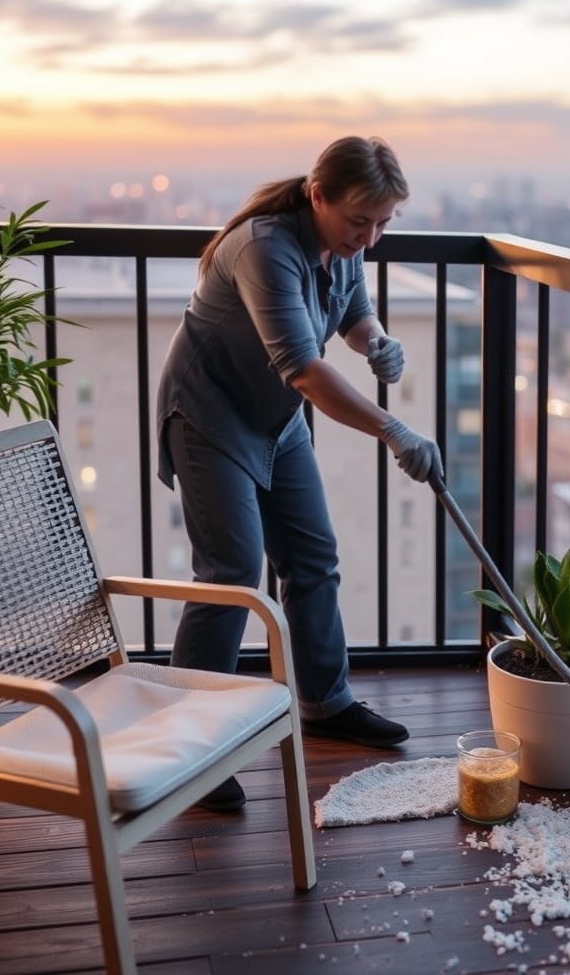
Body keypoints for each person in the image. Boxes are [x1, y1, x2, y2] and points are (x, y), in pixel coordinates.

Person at [156, 135, 442, 811]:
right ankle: (191, 746)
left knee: (312, 557)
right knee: (230, 574)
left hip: (275, 420)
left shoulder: (337, 245)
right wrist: (392, 427)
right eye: (358, 221)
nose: (369, 238)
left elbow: (350, 312)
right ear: (318, 196)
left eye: (382, 224)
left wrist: (374, 339)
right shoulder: (265, 248)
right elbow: (305, 370)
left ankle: (324, 702)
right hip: (210, 414)